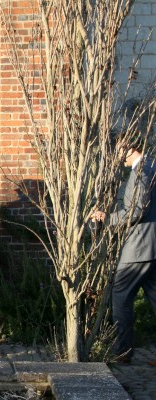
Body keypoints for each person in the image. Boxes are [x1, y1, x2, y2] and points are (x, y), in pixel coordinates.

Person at [93, 143, 156, 363]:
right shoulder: (152, 166)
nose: (118, 156)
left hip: (139, 246)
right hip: (151, 245)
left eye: (119, 151)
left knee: (120, 295)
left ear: (130, 148)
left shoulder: (141, 171)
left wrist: (108, 218)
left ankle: (123, 352)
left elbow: (137, 210)